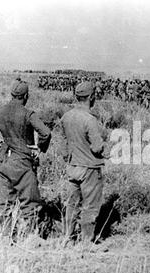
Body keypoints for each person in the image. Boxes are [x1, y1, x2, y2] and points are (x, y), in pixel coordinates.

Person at [0, 79, 51, 241]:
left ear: (12, 95)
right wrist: (40, 149)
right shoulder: (28, 114)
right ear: (25, 96)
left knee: (6, 203)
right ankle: (31, 239)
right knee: (30, 203)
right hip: (22, 162)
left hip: (4, 161)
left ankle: (6, 237)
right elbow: (46, 133)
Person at [60, 82, 108, 245]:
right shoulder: (90, 119)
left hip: (72, 166)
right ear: (91, 97)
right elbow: (97, 147)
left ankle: (68, 237)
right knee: (90, 206)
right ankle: (86, 242)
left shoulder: (67, 116)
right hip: (89, 168)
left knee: (72, 204)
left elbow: (64, 143)